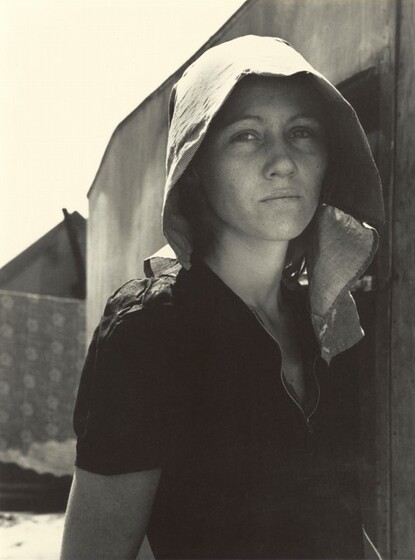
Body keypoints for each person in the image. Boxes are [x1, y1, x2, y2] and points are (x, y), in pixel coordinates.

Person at [61, 35, 384, 559]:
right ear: (196, 169)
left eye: (302, 132)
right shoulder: (151, 331)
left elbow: (334, 520)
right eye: (246, 136)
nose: (283, 161)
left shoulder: (320, 320)